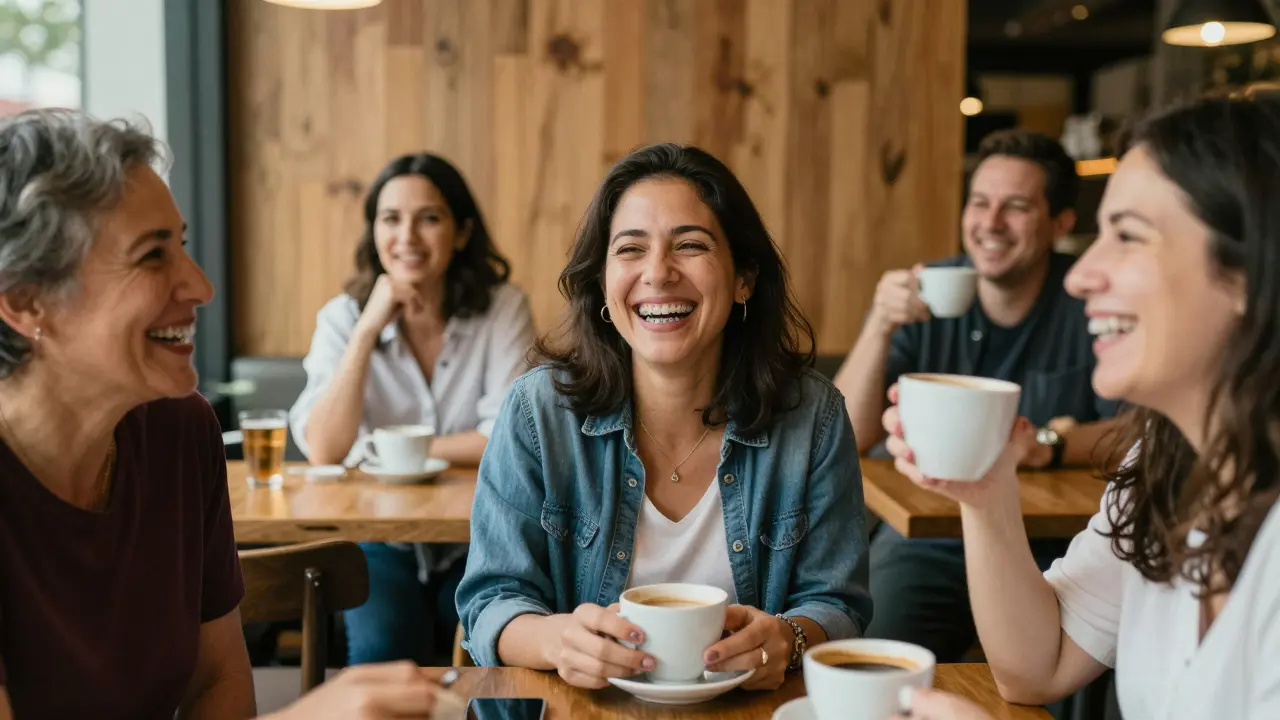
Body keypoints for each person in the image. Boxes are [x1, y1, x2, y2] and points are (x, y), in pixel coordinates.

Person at [0, 111, 454, 718]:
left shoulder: (179, 432)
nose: (200, 286)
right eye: (152, 256)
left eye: (181, 245)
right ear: (27, 302)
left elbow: (218, 681)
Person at [881, 90, 1280, 718]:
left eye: (1128, 236)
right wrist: (987, 492)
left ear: (1252, 269)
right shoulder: (1162, 465)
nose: (1078, 276)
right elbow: (1039, 668)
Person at [455, 143, 872, 691]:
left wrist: (789, 639)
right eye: (630, 249)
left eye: (691, 245)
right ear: (602, 281)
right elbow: (489, 601)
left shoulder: (812, 416)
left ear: (744, 278)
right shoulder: (538, 412)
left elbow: (838, 602)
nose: (658, 272)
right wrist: (558, 641)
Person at [833, 129, 1122, 661]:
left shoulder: (1087, 298)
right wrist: (878, 324)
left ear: (1060, 223)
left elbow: (1136, 429)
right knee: (873, 660)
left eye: (1015, 207)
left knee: (1054, 675)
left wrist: (1053, 444)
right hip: (932, 540)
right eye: (980, 202)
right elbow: (846, 434)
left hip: (1061, 545)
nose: (990, 224)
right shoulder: (928, 290)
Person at [289, 153, 535, 666]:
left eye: (429, 218)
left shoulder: (502, 308)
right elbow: (324, 448)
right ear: (373, 231)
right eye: (391, 218)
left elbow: (510, 437)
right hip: (380, 543)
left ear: (462, 231)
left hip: (480, 538)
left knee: (482, 656)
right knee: (384, 651)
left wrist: (383, 454)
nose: (408, 237)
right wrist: (366, 331)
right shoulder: (343, 318)